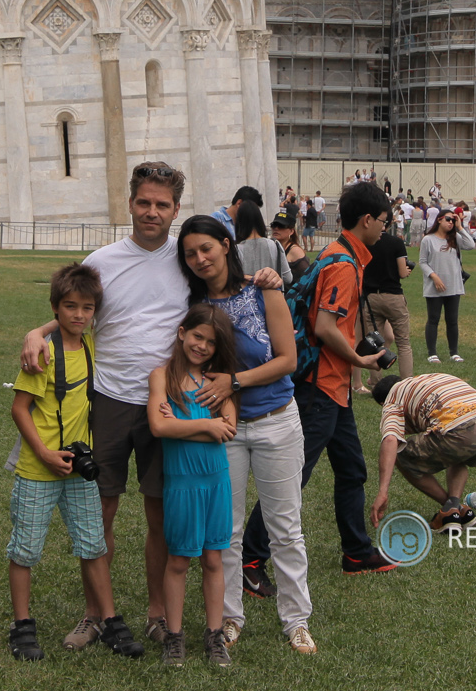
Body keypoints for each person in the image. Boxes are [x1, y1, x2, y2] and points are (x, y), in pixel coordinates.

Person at [21, 163, 286, 649]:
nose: (151, 212)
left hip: (172, 404)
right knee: (98, 510)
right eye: (144, 202)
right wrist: (37, 332)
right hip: (108, 399)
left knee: (162, 515)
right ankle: (95, 614)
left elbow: (225, 285)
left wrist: (267, 276)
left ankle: (158, 614)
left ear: (176, 210)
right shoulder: (103, 259)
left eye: (162, 204)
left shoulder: (185, 261)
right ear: (130, 203)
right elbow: (72, 310)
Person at [238, 180, 398, 585]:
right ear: (366, 220)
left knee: (352, 469)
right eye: (383, 221)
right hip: (319, 386)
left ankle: (356, 552)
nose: (385, 229)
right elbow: (326, 327)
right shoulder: (343, 264)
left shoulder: (338, 253)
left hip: (334, 387)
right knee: (294, 475)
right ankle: (250, 559)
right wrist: (358, 358)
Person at [176, 215, 316, 656]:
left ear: (225, 244)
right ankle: (230, 618)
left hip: (276, 420)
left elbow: (287, 359)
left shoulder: (263, 288)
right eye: (190, 254)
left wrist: (234, 381)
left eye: (206, 249)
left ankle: (296, 621)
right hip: (226, 428)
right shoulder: (192, 302)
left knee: (285, 527)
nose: (200, 259)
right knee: (227, 531)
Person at [6, 263, 144, 663]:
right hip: (38, 467)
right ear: (55, 308)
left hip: (79, 466)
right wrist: (45, 453)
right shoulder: (41, 354)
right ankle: (22, 626)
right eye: (69, 307)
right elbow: (20, 409)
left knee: (94, 545)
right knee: (25, 550)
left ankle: (110, 620)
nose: (78, 315)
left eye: (86, 307)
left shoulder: (90, 345)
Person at [147, 303, 238, 669]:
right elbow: (158, 428)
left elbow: (228, 431)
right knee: (179, 560)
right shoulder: (162, 377)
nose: (202, 346)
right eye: (197, 336)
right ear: (182, 332)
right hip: (182, 484)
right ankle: (175, 637)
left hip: (216, 482)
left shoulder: (217, 382)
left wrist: (184, 427)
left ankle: (215, 637)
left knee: (214, 558)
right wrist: (207, 427)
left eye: (211, 342)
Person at [368, 373, 476, 533]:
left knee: (401, 456)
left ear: (382, 402)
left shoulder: (392, 399)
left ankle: (451, 511)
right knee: (456, 453)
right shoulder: (433, 378)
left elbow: (390, 440)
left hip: (461, 432)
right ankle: (455, 507)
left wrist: (382, 492)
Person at [361, 216, 414, 385]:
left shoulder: (365, 243)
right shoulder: (396, 243)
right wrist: (407, 270)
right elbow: (402, 273)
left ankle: (375, 381)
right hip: (393, 296)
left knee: (375, 342)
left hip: (371, 297)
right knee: (403, 343)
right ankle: (406, 384)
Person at [421, 208, 473, 364]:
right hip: (434, 286)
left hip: (453, 286)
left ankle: (454, 352)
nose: (451, 223)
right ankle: (432, 353)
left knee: (452, 321)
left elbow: (471, 244)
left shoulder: (455, 238)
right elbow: (423, 262)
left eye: (453, 220)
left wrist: (460, 227)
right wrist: (434, 276)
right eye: (448, 220)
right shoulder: (428, 240)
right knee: (433, 319)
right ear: (439, 220)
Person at [232, 200, 292, 287]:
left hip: (247, 299)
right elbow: (288, 278)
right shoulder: (275, 245)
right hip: (272, 298)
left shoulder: (236, 250)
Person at [269, 213, 310, 283]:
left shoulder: (295, 251)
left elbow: (308, 277)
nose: (276, 228)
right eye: (274, 225)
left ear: (291, 231)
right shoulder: (272, 246)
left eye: (281, 226)